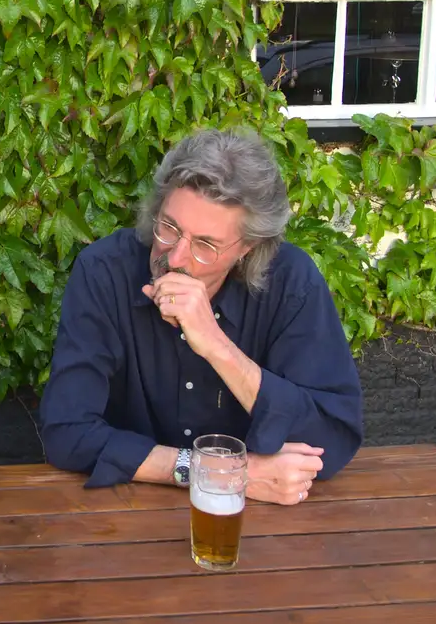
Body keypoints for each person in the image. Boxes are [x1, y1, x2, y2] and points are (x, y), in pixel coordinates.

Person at [40, 127, 363, 505]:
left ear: (248, 247)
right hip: (126, 508)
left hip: (260, 522)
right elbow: (65, 431)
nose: (174, 258)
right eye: (169, 227)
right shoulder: (104, 272)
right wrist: (216, 473)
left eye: (206, 245)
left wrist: (216, 345)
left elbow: (332, 440)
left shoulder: (291, 283)